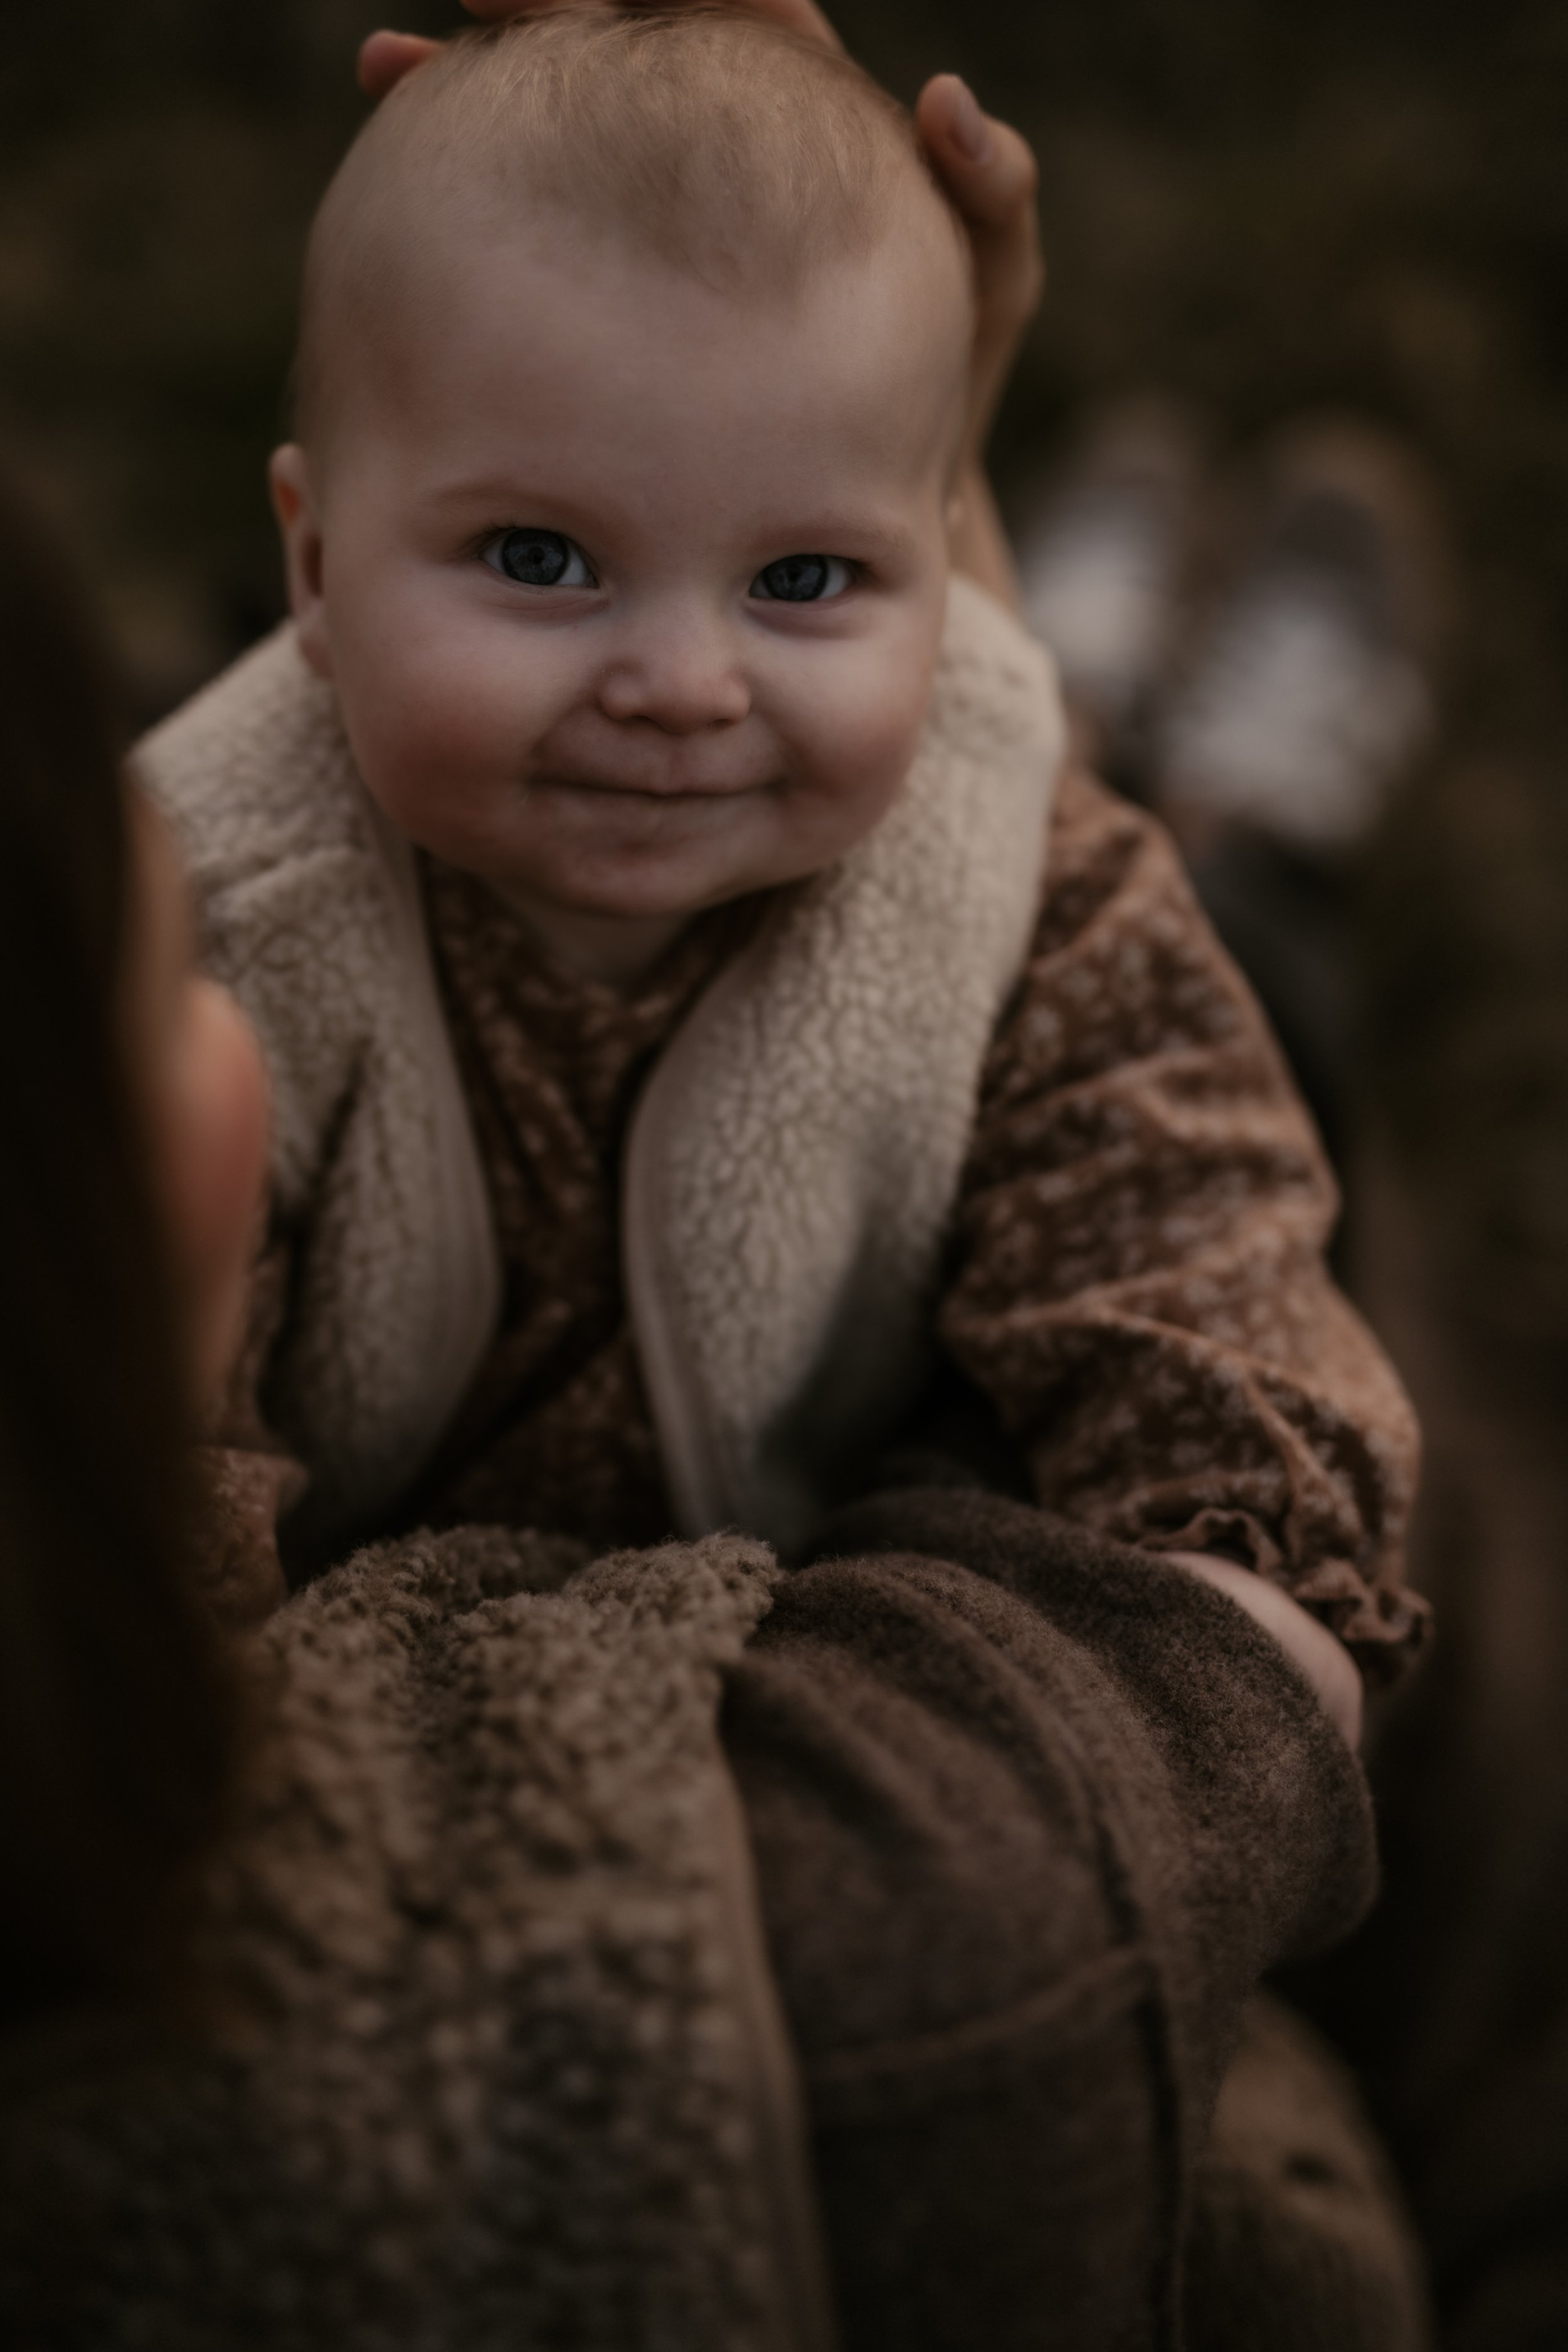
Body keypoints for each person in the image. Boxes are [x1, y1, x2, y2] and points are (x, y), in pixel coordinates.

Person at [0, 458, 1426, 2348]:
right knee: (1265, 1046)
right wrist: (1244, 1638)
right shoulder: (913, 1970)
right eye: (173, 963)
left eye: (808, 576)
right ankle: (1237, 817)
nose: (683, 685)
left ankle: (1062, 698)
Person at [137, 3, 1422, 1723]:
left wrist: (1235, 1565)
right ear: (310, 567)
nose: (681, 688)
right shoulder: (208, 915)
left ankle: (1189, 767)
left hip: (826, 1554)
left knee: (1246, 971)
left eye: (804, 580)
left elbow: (1181, 1225)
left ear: (933, 583)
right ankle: (1146, 705)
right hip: (410, 1656)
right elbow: (126, 1405)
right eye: (540, 554)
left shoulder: (1000, 865)